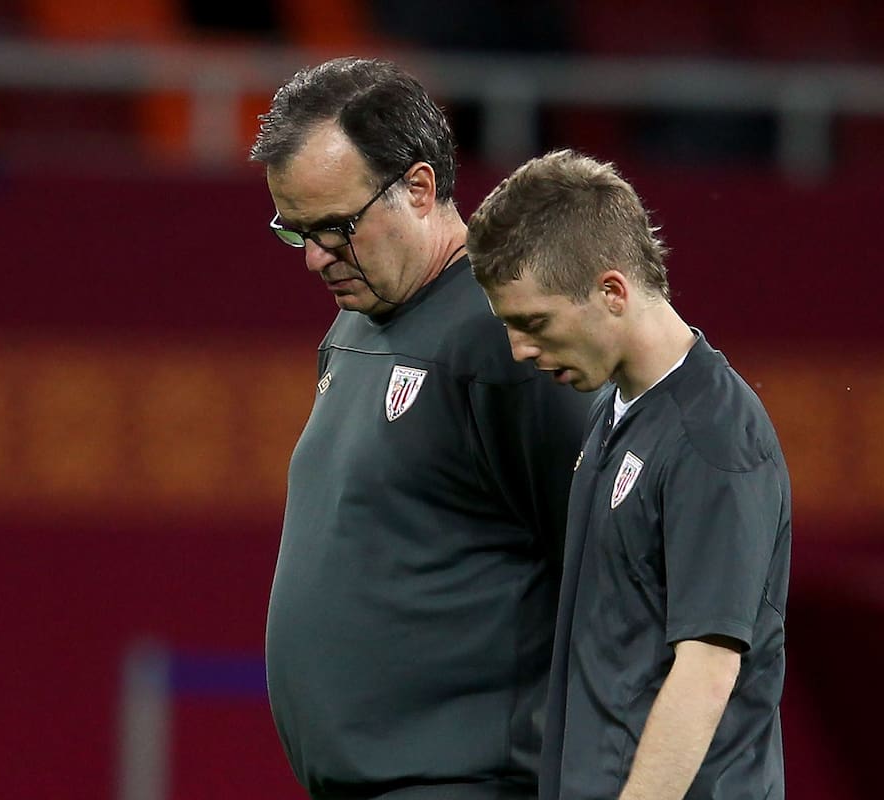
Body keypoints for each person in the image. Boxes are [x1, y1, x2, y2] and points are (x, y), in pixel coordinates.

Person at [249, 59, 592, 800]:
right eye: (295, 231)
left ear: (420, 187)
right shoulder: (357, 322)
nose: (314, 259)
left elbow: (613, 569)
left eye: (336, 228)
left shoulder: (507, 340)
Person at [467, 150, 792, 800]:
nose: (520, 351)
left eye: (534, 323)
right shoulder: (616, 412)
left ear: (612, 292)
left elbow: (706, 670)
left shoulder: (713, 437)